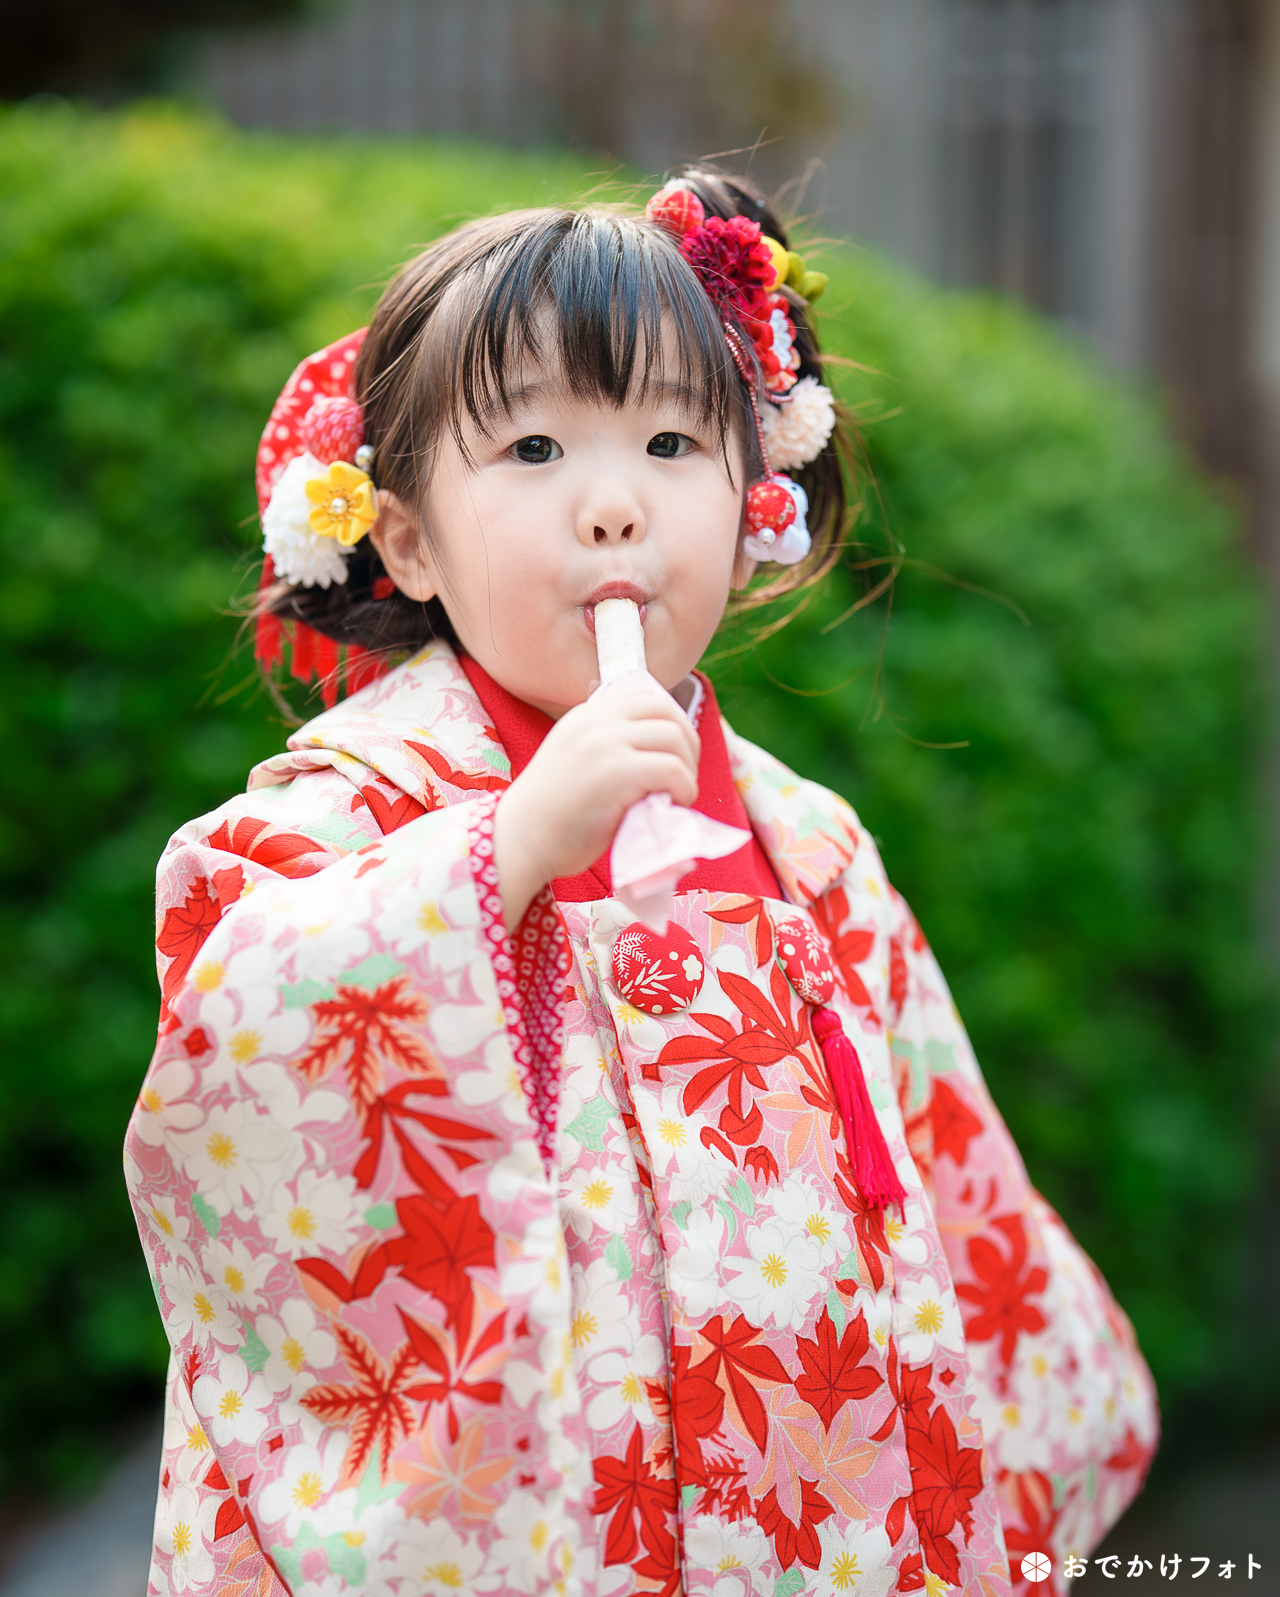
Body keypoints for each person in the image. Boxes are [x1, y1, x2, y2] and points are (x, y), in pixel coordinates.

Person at [124, 166, 1157, 1597]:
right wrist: (506, 855)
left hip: (821, 1486)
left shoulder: (807, 840)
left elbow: (938, 1164)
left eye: (674, 441)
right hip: (561, 1517)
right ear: (408, 537)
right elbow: (239, 1042)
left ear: (751, 505)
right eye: (536, 451)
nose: (616, 505)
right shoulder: (356, 811)